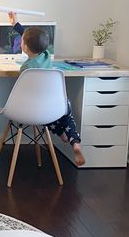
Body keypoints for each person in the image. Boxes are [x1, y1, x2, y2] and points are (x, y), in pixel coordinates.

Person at [8, 12, 86, 166]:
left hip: (36, 108)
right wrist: (16, 24)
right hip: (58, 104)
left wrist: (17, 26)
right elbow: (31, 39)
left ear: (24, 47)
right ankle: (74, 142)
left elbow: (25, 89)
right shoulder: (46, 54)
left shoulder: (26, 68)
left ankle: (60, 132)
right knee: (63, 117)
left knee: (41, 110)